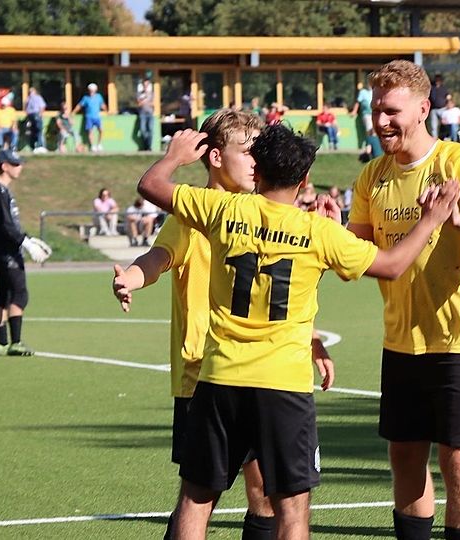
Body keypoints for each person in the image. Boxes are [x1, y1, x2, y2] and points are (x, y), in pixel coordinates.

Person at [137, 124, 459, 540]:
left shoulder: (222, 211)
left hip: (219, 379)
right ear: (304, 179)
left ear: (256, 171)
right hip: (282, 386)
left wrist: (174, 157)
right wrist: (431, 218)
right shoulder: (318, 232)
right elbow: (394, 264)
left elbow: (151, 185)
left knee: (196, 500)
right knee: (292, 511)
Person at [115, 109, 337, 540]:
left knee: (263, 493)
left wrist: (309, 339)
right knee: (199, 497)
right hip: (204, 377)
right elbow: (158, 258)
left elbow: (274, 293)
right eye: (247, 150)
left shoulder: (258, 215)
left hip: (255, 373)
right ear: (215, 158)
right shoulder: (196, 214)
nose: (257, 160)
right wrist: (132, 277)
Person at [347, 59, 460, 540]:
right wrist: (328, 228)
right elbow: (361, 252)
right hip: (402, 339)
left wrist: (456, 219)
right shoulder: (372, 177)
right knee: (404, 455)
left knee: (459, 460)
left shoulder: (458, 163)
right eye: (376, 110)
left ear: (423, 108)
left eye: (392, 110)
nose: (381, 121)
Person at [0, 149, 51, 357]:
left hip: (4, 249)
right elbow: (5, 225)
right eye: (15, 164)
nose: (19, 167)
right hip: (6, 252)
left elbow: (9, 224)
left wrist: (28, 239)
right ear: (4, 166)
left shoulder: (2, 191)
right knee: (19, 294)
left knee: (3, 294)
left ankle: (2, 343)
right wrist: (26, 244)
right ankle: (15, 342)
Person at [72, 83, 107, 152]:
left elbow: (103, 105)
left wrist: (107, 111)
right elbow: (79, 105)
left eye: (93, 90)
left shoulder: (99, 96)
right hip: (89, 117)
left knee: (101, 130)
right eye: (90, 90)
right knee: (90, 132)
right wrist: (73, 112)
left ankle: (99, 145)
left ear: (95, 90)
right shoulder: (85, 98)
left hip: (97, 117)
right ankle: (92, 146)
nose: (91, 91)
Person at [25, 87, 47, 153]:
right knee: (36, 131)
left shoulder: (36, 98)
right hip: (32, 115)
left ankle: (38, 146)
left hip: (34, 115)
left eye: (31, 91)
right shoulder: (29, 98)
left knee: (37, 131)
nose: (30, 93)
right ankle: (37, 146)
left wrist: (40, 114)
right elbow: (42, 106)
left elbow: (42, 107)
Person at [428, 74, 449, 139]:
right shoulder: (432, 88)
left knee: (445, 124)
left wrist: (448, 105)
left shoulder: (444, 88)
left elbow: (448, 97)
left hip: (443, 109)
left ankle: (445, 137)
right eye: (436, 80)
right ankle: (435, 139)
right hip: (434, 109)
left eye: (438, 80)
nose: (437, 81)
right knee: (433, 126)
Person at [137, 78, 155, 151]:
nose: (146, 86)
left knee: (150, 129)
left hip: (150, 113)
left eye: (147, 85)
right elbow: (139, 103)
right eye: (144, 85)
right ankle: (145, 145)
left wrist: (146, 101)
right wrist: (144, 100)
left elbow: (153, 103)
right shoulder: (140, 94)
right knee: (143, 129)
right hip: (142, 113)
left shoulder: (152, 93)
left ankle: (149, 147)